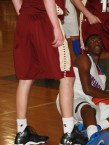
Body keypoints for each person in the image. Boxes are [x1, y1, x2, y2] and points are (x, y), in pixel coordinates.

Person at [11, 0, 87, 145]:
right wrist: (55, 27)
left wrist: (25, 13)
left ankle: (21, 132)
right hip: (44, 20)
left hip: (24, 20)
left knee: (25, 78)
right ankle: (69, 132)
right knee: (67, 76)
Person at [56, 34, 109, 145]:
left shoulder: (102, 77)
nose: (97, 41)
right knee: (89, 109)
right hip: (72, 98)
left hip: (89, 104)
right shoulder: (84, 58)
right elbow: (87, 89)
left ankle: (95, 127)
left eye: (99, 40)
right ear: (86, 47)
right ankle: (93, 137)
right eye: (93, 40)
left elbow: (98, 98)